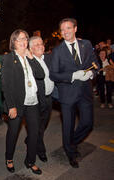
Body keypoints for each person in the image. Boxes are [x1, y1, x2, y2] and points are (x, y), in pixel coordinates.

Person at [50, 18, 98, 168]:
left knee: (87, 123)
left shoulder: (86, 44)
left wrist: (92, 74)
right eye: (62, 30)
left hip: (84, 92)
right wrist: (73, 76)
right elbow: (54, 75)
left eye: (68, 28)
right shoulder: (58, 51)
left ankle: (71, 142)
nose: (65, 32)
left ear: (75, 29)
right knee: (68, 126)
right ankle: (70, 153)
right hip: (67, 95)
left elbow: (94, 63)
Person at [1, 29, 45, 175]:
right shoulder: (9, 59)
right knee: (13, 133)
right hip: (17, 103)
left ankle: (30, 161)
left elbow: (41, 74)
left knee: (34, 133)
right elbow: (6, 84)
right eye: (20, 39)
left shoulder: (29, 57)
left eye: (25, 39)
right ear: (13, 42)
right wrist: (11, 106)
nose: (24, 42)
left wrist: (31, 57)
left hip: (33, 102)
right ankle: (9, 158)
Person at [29, 36, 54, 162]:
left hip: (49, 98)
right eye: (37, 44)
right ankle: (40, 150)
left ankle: (31, 139)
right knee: (38, 127)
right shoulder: (30, 63)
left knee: (43, 125)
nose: (40, 46)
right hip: (38, 100)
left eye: (41, 44)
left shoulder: (48, 59)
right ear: (31, 49)